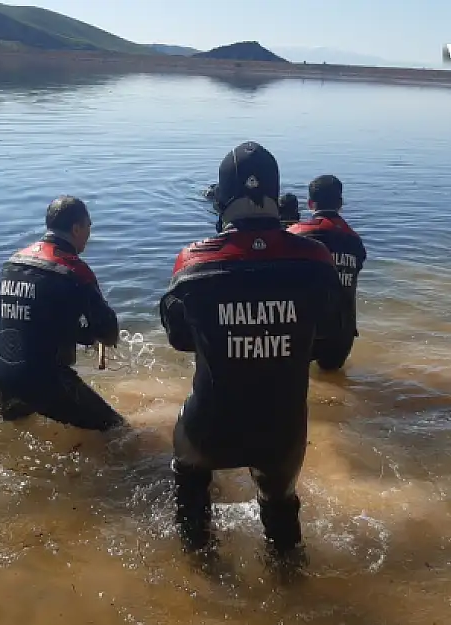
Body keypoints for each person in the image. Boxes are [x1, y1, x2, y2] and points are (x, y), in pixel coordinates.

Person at [159, 141, 343, 556]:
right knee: (282, 520)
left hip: (208, 427)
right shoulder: (316, 261)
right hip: (283, 430)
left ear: (221, 201)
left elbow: (180, 340)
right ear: (275, 198)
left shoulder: (191, 265)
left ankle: (197, 574)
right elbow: (330, 334)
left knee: (189, 481)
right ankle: (291, 590)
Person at [0, 195, 126, 431]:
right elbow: (108, 332)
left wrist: (82, 333)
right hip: (45, 379)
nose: (89, 234)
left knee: (16, 434)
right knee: (117, 429)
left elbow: (37, 322)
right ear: (77, 228)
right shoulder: (73, 270)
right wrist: (96, 335)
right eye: (89, 227)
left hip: (5, 374)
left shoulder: (13, 262)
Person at [287, 175, 367, 371]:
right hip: (343, 332)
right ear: (340, 204)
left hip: (306, 329)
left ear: (310, 204)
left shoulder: (296, 234)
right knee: (333, 379)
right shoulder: (355, 240)